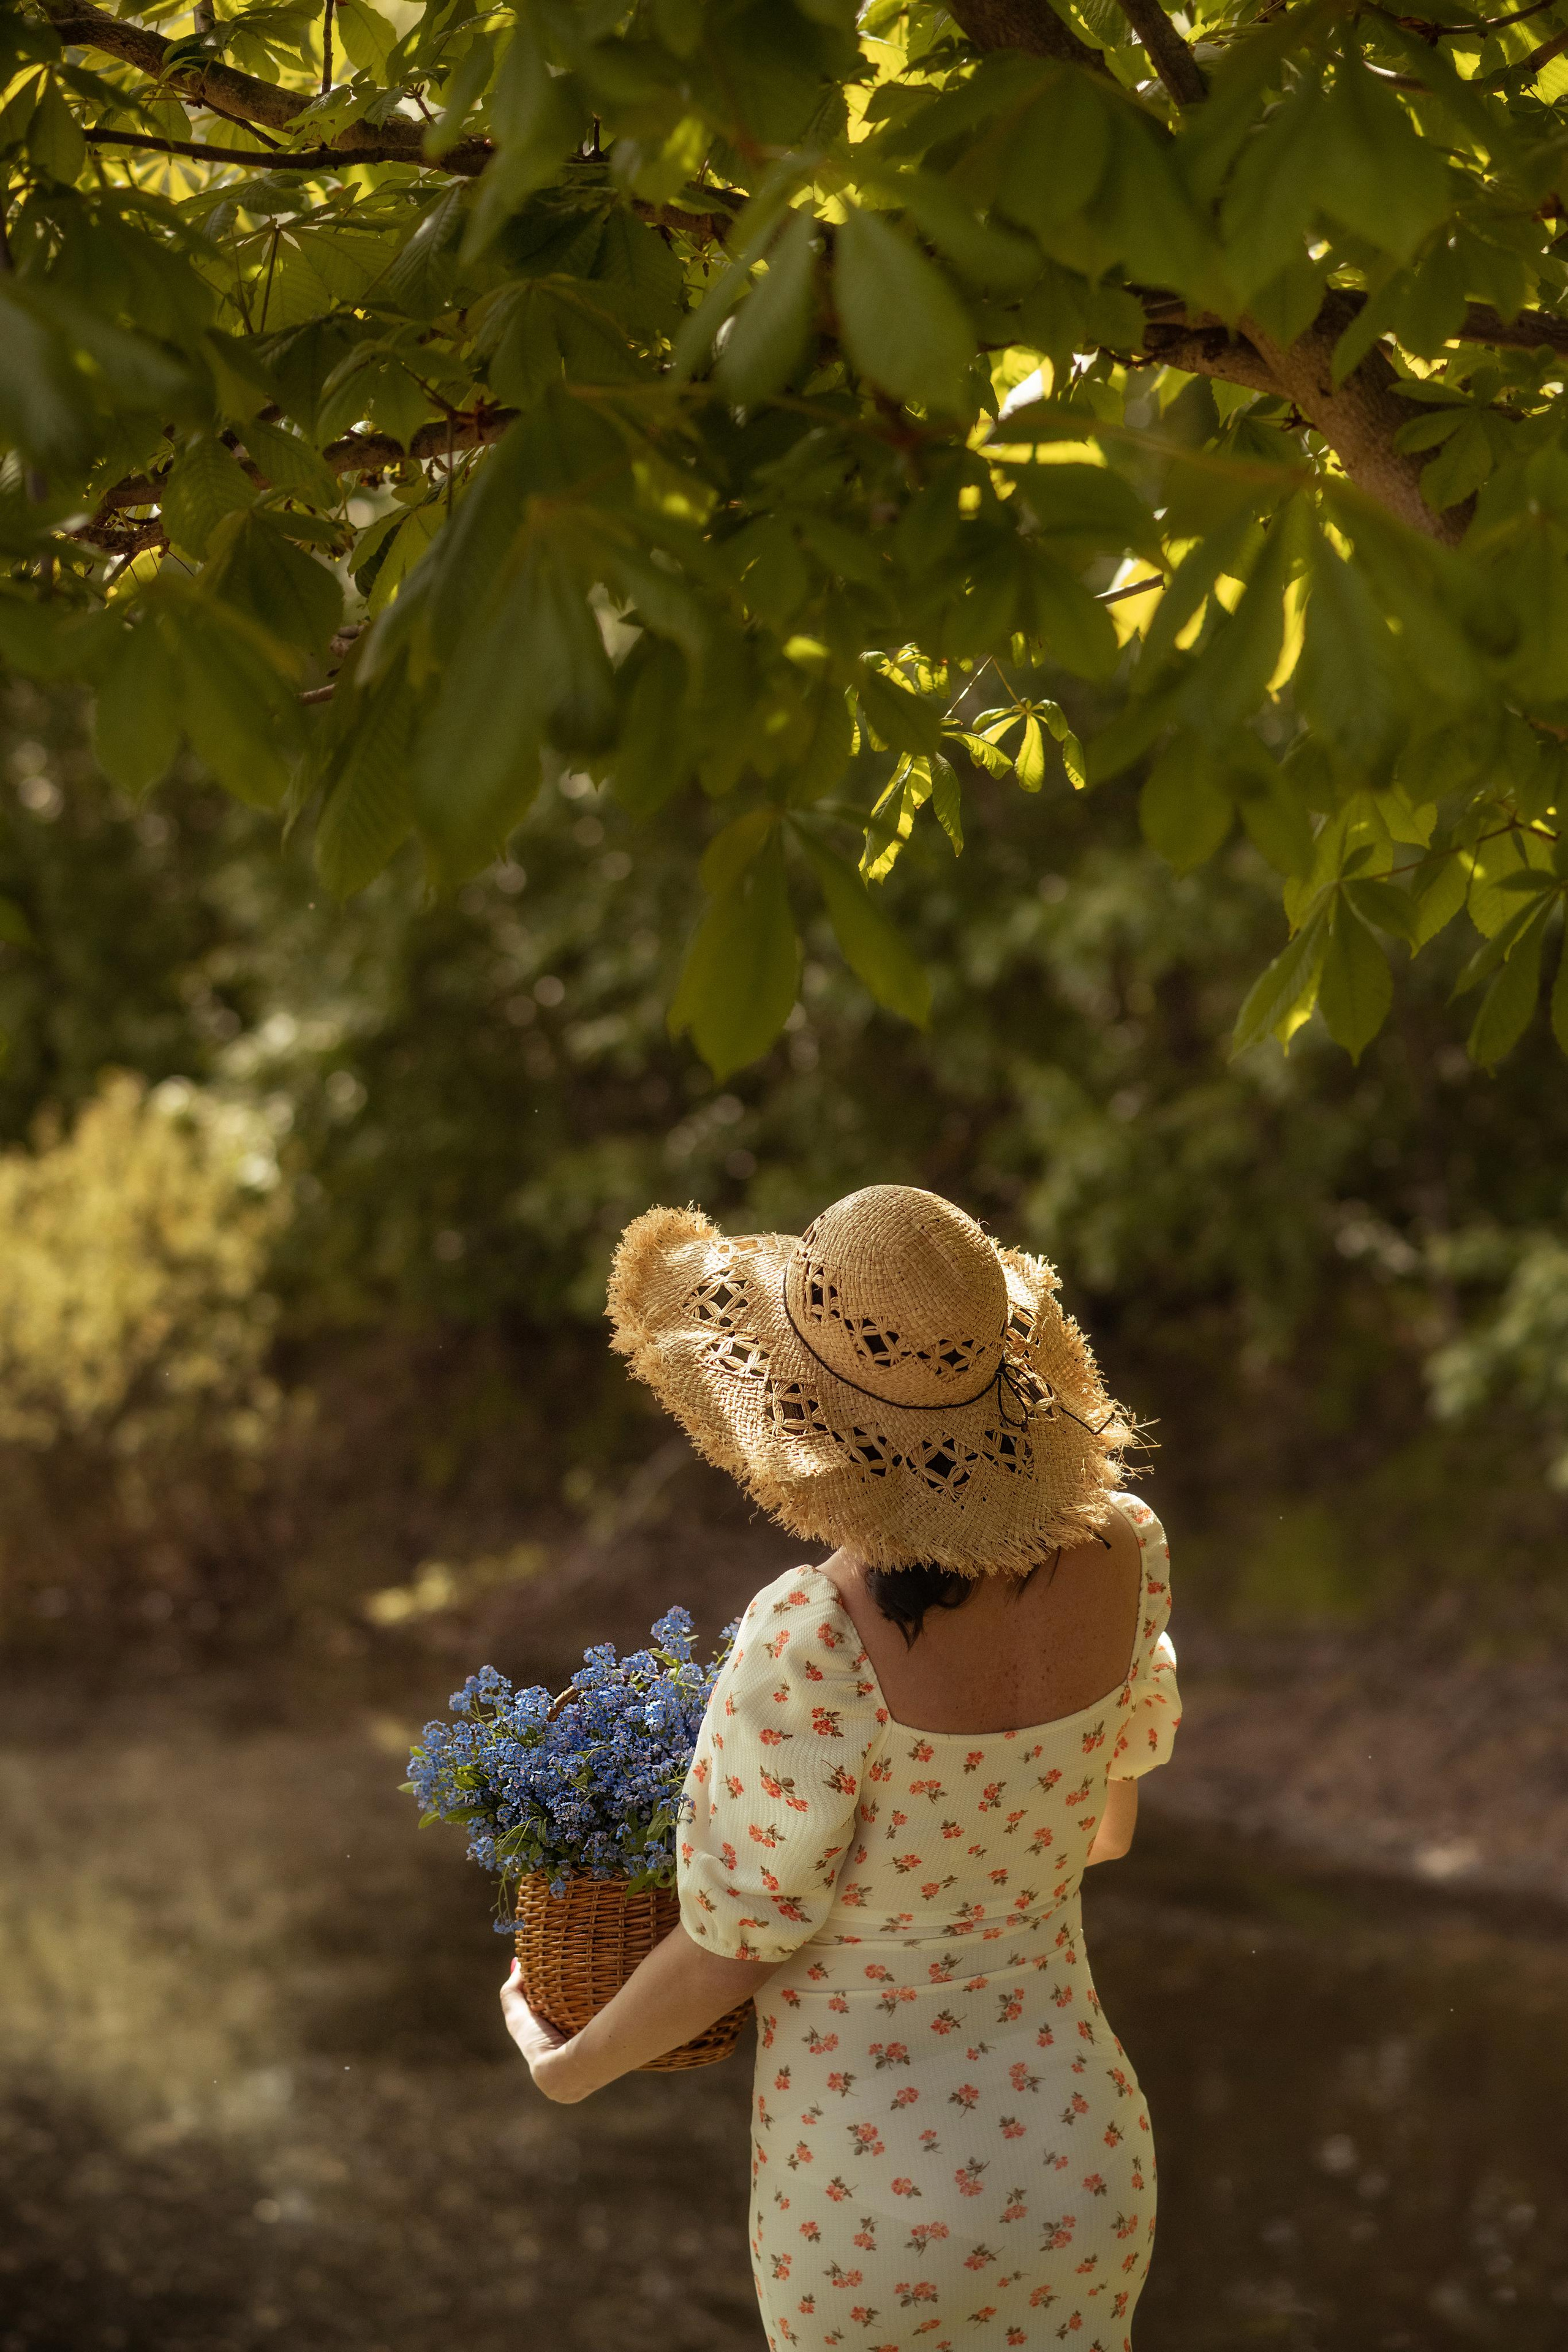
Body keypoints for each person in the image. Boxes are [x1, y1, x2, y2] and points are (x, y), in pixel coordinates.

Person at [501, 1184, 1180, 2351]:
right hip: (1078, 2156)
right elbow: (1104, 1832)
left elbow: (735, 1943)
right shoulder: (1128, 1547)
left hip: (874, 2201)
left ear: (807, 1419)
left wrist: (571, 2067)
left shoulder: (816, 1634)